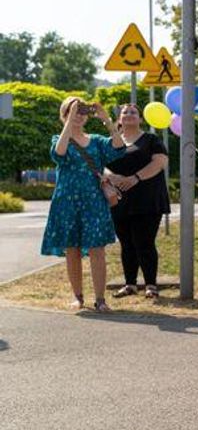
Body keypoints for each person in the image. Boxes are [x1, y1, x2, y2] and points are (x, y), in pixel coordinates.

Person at [41, 96, 125, 312]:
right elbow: (58, 154)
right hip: (66, 202)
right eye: (73, 111)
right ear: (64, 114)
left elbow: (118, 147)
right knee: (72, 250)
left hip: (93, 201)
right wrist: (69, 122)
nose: (79, 115)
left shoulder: (96, 140)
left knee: (97, 249)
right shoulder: (58, 139)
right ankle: (78, 297)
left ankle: (100, 299)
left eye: (82, 111)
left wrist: (107, 120)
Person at [105, 103, 171, 300]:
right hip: (120, 200)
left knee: (145, 242)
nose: (129, 114)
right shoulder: (111, 143)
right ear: (119, 120)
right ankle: (130, 284)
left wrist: (135, 178)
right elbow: (102, 166)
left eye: (134, 112)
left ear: (140, 119)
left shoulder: (151, 140)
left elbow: (160, 163)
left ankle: (151, 285)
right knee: (127, 244)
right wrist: (112, 177)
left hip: (148, 200)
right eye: (125, 112)